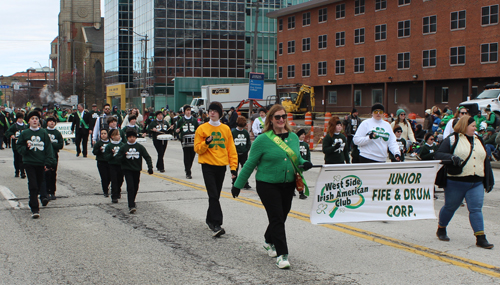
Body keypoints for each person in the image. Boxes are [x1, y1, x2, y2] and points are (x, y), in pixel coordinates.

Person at [231, 104, 312, 269]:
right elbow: (249, 164)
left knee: (281, 216)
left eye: (283, 116)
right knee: (276, 217)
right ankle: (282, 254)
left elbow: (296, 159)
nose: (281, 119)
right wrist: (238, 184)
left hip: (288, 184)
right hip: (267, 185)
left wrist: (305, 163)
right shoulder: (262, 140)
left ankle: (269, 240)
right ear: (271, 120)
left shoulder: (294, 138)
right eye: (277, 117)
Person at [434, 115, 494, 249]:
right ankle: (441, 227)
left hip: (476, 182)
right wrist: (451, 157)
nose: (475, 128)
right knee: (450, 207)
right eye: (473, 125)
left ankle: (480, 237)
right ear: (464, 126)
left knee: (476, 209)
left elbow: (485, 161)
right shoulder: (452, 139)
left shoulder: (479, 140)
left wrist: (488, 179)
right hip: (456, 181)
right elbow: (438, 155)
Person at [194, 101, 238, 237]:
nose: (212, 113)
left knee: (216, 195)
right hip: (207, 165)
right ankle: (217, 224)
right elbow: (197, 149)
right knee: (213, 194)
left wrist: (233, 169)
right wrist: (206, 143)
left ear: (220, 113)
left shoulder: (226, 129)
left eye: (215, 111)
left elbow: (231, 150)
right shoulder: (201, 129)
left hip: (221, 166)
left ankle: (209, 220)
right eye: (210, 110)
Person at [16, 111, 56, 219]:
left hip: (40, 162)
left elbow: (48, 149)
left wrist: (48, 162)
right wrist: (26, 148)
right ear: (28, 121)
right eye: (32, 118)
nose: (34, 120)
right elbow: (19, 147)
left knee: (38, 184)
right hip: (29, 162)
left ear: (39, 121)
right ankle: (35, 208)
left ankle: (33, 200)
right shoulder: (25, 133)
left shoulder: (43, 133)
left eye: (36, 118)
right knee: (33, 185)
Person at [116, 130, 153, 213]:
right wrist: (123, 156)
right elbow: (117, 159)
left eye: (133, 137)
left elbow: (147, 157)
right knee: (130, 187)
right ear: (127, 138)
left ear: (136, 138)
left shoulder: (139, 147)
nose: (131, 139)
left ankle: (133, 200)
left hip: (136, 169)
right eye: (130, 137)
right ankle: (131, 205)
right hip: (127, 169)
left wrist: (150, 167)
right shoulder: (124, 147)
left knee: (136, 186)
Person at [175, 104, 199, 179]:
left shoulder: (194, 120)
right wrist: (177, 131)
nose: (188, 112)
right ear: (184, 111)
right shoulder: (181, 120)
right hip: (184, 141)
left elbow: (198, 129)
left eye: (189, 110)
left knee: (192, 155)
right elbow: (176, 130)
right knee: (186, 156)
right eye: (187, 110)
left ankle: (188, 168)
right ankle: (188, 172)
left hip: (193, 140)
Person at [104, 129, 125, 203]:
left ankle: (118, 190)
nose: (119, 136)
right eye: (117, 135)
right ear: (112, 136)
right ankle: (114, 196)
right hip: (112, 165)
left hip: (121, 165)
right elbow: (106, 157)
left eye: (119, 134)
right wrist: (111, 154)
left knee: (120, 179)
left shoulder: (122, 145)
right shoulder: (109, 146)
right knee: (114, 180)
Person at [45, 116, 64, 200]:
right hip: (45, 156)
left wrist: (53, 144)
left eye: (53, 121)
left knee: (53, 173)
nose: (51, 123)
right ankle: (45, 191)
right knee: (46, 173)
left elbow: (61, 145)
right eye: (50, 121)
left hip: (54, 155)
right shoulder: (44, 132)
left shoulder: (57, 133)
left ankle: (52, 191)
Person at [5, 112, 28, 178]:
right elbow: (7, 132)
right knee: (16, 159)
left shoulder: (25, 126)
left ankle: (22, 172)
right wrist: (11, 135)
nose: (21, 120)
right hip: (16, 145)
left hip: (23, 145)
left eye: (22, 118)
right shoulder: (14, 126)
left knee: (22, 159)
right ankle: (17, 171)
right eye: (19, 118)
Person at [232, 116, 252, 189]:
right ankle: (234, 182)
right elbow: (231, 143)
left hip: (244, 153)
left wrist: (246, 150)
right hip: (235, 154)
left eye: (242, 127)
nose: (241, 129)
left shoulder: (245, 132)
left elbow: (248, 142)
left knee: (244, 169)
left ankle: (245, 183)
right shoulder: (233, 132)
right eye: (240, 127)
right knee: (235, 169)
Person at [93, 129, 111, 197]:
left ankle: (107, 186)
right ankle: (105, 191)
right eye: (102, 134)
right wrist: (99, 150)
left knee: (109, 176)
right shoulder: (98, 143)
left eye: (105, 133)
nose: (103, 135)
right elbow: (94, 152)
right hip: (101, 162)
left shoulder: (110, 143)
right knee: (104, 177)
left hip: (109, 162)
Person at [296, 128, 309, 199]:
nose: (303, 136)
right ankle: (300, 192)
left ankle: (301, 192)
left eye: (304, 134)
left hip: (303, 164)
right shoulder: (295, 144)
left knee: (300, 178)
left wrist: (308, 162)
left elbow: (308, 155)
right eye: (302, 134)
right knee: (297, 178)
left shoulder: (305, 145)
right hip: (296, 164)